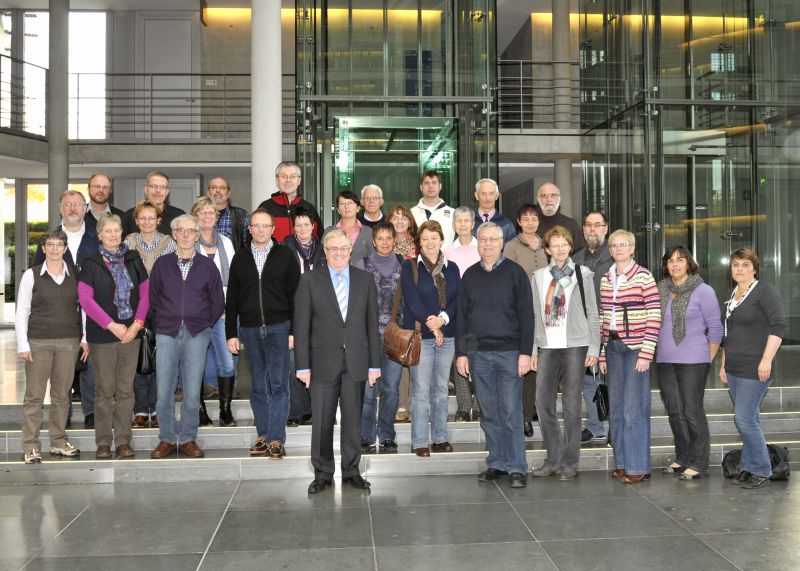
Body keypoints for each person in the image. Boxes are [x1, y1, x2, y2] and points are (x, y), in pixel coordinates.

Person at [294, 229, 382, 494]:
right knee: (321, 421)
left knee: (353, 420)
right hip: (322, 362)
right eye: (333, 249)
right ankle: (322, 473)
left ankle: (352, 471)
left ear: (350, 250)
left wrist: (374, 365)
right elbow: (301, 326)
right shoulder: (310, 280)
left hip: (356, 361)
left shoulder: (365, 280)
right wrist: (302, 365)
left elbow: (371, 325)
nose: (339, 253)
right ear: (325, 251)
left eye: (344, 248)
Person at [456, 222, 534, 488]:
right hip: (478, 355)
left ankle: (517, 467)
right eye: (483, 240)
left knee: (511, 412)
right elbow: (462, 317)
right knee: (489, 413)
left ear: (502, 243)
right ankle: (497, 463)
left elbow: (527, 316)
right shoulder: (469, 275)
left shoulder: (516, 273)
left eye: (492, 239)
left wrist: (526, 353)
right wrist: (462, 353)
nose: (487, 244)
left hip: (509, 353)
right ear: (478, 243)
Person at [149, 215, 224, 459]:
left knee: (192, 391)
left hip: (197, 333)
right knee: (164, 391)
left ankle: (189, 438)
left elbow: (217, 301)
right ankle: (167, 438)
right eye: (180, 230)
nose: (185, 235)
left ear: (197, 234)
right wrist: (163, 321)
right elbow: (153, 299)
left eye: (190, 231)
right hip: (166, 333)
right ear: (174, 234)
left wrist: (203, 323)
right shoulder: (161, 264)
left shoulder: (207, 266)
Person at [226, 209, 300, 459]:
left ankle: (277, 438)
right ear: (249, 229)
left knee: (279, 385)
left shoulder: (286, 256)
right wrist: (230, 333)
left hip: (280, 328)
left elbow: (295, 296)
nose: (260, 230)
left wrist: (294, 330)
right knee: (258, 386)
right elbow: (232, 298)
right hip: (250, 329)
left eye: (264, 226)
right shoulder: (240, 258)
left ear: (273, 229)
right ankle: (263, 435)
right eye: (255, 226)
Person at [530, 226, 601, 481]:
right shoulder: (538, 277)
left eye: (564, 244)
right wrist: (532, 350)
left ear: (570, 247)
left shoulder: (583, 274)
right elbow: (536, 316)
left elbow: (593, 313)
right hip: (547, 345)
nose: (560, 249)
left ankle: (570, 461)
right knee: (543, 403)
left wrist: (594, 347)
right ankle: (553, 458)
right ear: (547, 249)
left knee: (572, 404)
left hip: (576, 345)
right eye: (555, 245)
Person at [78, 214, 150, 459]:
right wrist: (112, 326)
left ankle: (123, 440)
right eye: (107, 231)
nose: (113, 235)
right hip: (103, 336)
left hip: (132, 334)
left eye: (117, 231)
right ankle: (103, 442)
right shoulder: (91, 262)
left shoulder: (133, 257)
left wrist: (137, 324)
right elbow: (85, 300)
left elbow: (146, 293)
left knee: (126, 390)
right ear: (99, 234)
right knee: (104, 391)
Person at [17, 230, 88, 463]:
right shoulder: (31, 275)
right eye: (50, 244)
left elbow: (84, 308)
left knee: (61, 396)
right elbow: (22, 311)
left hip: (68, 342)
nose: (55, 249)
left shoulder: (75, 274)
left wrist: (84, 337)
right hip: (38, 342)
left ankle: (58, 441)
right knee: (34, 397)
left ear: (65, 249)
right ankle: (30, 445)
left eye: (59, 244)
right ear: (43, 248)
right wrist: (22, 343)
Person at [32, 189, 100, 430]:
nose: (73, 208)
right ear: (60, 208)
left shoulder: (97, 236)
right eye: (68, 204)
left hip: (92, 309)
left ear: (85, 209)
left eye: (78, 204)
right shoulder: (50, 239)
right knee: (63, 367)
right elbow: (37, 276)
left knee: (90, 361)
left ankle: (91, 411)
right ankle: (65, 413)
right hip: (59, 313)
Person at [599, 229, 661, 484]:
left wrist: (647, 352)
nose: (618, 249)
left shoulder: (644, 277)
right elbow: (604, 318)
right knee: (617, 410)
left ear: (632, 249)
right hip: (612, 348)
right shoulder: (606, 278)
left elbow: (655, 316)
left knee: (634, 409)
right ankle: (623, 463)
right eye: (614, 245)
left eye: (623, 245)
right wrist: (602, 352)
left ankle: (638, 467)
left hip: (636, 349)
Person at [656, 246, 723, 480]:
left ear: (689, 263)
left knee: (692, 412)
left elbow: (716, 328)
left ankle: (699, 462)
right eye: (671, 260)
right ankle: (682, 458)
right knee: (675, 412)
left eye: (680, 260)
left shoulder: (703, 290)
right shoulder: (660, 289)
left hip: (694, 361)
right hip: (665, 360)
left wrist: (707, 359)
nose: (675, 264)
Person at [720, 249, 785, 489]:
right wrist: (724, 364)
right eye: (735, 265)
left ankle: (762, 468)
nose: (739, 269)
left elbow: (778, 326)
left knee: (744, 418)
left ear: (754, 268)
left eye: (745, 265)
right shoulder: (732, 295)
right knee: (750, 418)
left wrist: (766, 360)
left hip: (756, 367)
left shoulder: (765, 291)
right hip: (735, 368)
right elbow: (728, 334)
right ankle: (748, 466)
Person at [403, 220, 460, 457]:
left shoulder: (452, 268)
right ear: (419, 241)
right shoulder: (410, 268)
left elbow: (458, 299)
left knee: (440, 389)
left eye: (434, 238)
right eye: (425, 239)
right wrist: (432, 323)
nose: (429, 243)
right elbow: (412, 300)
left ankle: (439, 438)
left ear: (441, 240)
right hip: (421, 337)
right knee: (421, 391)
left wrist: (442, 320)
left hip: (447, 336)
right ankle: (419, 441)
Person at [124, 201, 176, 429]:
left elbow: (172, 275)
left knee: (159, 360)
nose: (147, 222)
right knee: (136, 360)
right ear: (136, 221)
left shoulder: (169, 243)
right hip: (133, 309)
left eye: (151, 218)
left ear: (158, 220)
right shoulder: (127, 243)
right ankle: (140, 410)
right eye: (142, 218)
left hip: (161, 308)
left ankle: (156, 409)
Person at [355, 221, 404, 453]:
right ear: (373, 241)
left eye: (389, 238)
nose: (385, 242)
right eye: (380, 238)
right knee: (367, 391)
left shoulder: (406, 265)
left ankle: (386, 435)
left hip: (395, 339)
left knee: (391, 390)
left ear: (395, 240)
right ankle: (365, 435)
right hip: (367, 339)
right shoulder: (361, 265)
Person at [503, 203, 548, 437]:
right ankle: (523, 416)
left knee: (541, 364)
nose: (530, 222)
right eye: (526, 219)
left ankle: (535, 409)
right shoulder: (511, 247)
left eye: (534, 218)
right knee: (524, 365)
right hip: (520, 313)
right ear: (518, 222)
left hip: (547, 314)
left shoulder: (547, 244)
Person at [193, 197, 237, 427]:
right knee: (196, 363)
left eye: (211, 212)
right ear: (196, 215)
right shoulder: (188, 241)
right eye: (202, 211)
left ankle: (225, 410)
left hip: (222, 313)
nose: (207, 215)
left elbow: (233, 280)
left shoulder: (227, 243)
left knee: (227, 364)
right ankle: (200, 409)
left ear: (217, 217)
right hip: (196, 314)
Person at [573, 211, 613, 445]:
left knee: (612, 381)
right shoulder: (576, 258)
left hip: (610, 329)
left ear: (605, 229)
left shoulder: (615, 255)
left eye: (598, 225)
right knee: (590, 380)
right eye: (588, 225)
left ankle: (615, 427)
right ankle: (595, 426)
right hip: (583, 330)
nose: (592, 229)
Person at [283, 207, 325, 426]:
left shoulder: (323, 249)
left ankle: (311, 408)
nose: (302, 229)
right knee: (292, 363)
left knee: (316, 363)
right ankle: (295, 410)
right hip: (293, 311)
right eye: (298, 224)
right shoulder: (283, 248)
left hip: (319, 314)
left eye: (306, 224)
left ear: (313, 226)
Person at [445, 206, 481, 422]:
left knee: (478, 357)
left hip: (479, 310)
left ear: (473, 223)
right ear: (454, 224)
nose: (463, 224)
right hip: (457, 310)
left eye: (467, 221)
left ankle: (478, 405)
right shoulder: (448, 251)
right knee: (459, 356)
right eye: (459, 221)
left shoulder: (482, 247)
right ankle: (463, 405)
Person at [388, 203, 418, 423]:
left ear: (410, 221)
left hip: (417, 306)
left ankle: (414, 403)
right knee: (398, 353)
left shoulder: (419, 245)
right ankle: (401, 405)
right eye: (394, 217)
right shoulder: (384, 245)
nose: (399, 221)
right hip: (392, 308)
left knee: (415, 355)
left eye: (403, 217)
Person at [258, 161, 323, 243]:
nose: (288, 180)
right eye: (284, 176)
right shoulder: (265, 208)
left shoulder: (309, 208)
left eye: (292, 176)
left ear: (299, 181)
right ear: (277, 180)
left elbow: (319, 240)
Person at [121, 171, 185, 236]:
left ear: (167, 192)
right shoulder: (130, 216)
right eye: (153, 186)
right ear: (146, 190)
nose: (158, 191)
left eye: (162, 187)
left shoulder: (179, 216)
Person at [324, 190, 374, 262]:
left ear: (358, 208)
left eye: (350, 203)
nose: (346, 206)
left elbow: (373, 259)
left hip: (361, 273)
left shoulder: (368, 232)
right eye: (342, 204)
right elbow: (322, 258)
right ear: (338, 210)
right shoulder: (329, 231)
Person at [534, 182, 585, 252]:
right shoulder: (531, 225)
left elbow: (580, 254)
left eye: (553, 195)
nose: (549, 199)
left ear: (560, 199)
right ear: (538, 199)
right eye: (544, 196)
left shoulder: (571, 224)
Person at [410, 171, 455, 248]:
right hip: (418, 259)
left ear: (440, 186)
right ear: (421, 187)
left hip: (446, 259)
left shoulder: (453, 213)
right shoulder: (411, 213)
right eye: (426, 183)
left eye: (434, 182)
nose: (430, 186)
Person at [206, 176, 250, 251]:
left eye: (222, 188)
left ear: (229, 193)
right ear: (208, 193)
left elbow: (249, 246)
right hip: (204, 261)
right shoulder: (198, 216)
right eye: (214, 187)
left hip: (232, 262)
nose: (218, 190)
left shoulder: (241, 216)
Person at [471, 178, 516, 243]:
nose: (487, 198)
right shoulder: (468, 223)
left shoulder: (507, 225)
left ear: (497, 195)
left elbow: (510, 252)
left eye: (491, 193)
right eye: (483, 194)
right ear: (476, 195)